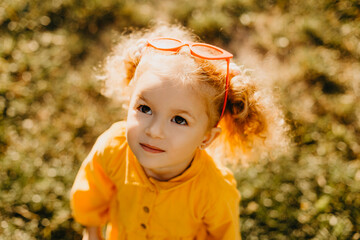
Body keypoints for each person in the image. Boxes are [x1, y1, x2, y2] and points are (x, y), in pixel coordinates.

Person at [70, 23, 286, 240]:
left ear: (206, 138)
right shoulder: (112, 148)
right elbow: (91, 192)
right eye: (144, 109)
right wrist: (92, 231)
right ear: (129, 101)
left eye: (179, 120)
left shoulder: (214, 191)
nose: (155, 131)